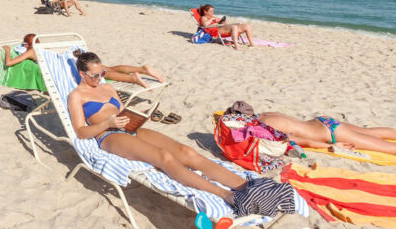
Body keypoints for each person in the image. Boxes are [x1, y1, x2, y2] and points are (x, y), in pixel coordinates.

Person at [69, 50, 258, 206]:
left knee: (187, 152)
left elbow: (123, 111)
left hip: (130, 127)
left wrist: (140, 115)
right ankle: (226, 195)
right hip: (109, 136)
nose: (100, 78)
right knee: (164, 157)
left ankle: (245, 185)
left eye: (102, 73)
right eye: (95, 75)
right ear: (82, 74)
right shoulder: (77, 96)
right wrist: (106, 124)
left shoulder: (108, 88)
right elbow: (80, 131)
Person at [242, 104, 396, 168]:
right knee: (369, 133)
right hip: (323, 121)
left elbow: (298, 141)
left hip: (330, 133)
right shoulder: (264, 113)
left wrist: (331, 146)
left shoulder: (263, 127)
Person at [4, 34, 163, 87]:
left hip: (65, 65)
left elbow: (10, 63)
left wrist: (7, 51)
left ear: (27, 44)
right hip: (69, 57)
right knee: (108, 68)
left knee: (103, 73)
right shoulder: (43, 48)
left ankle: (133, 78)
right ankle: (142, 69)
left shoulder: (31, 51)